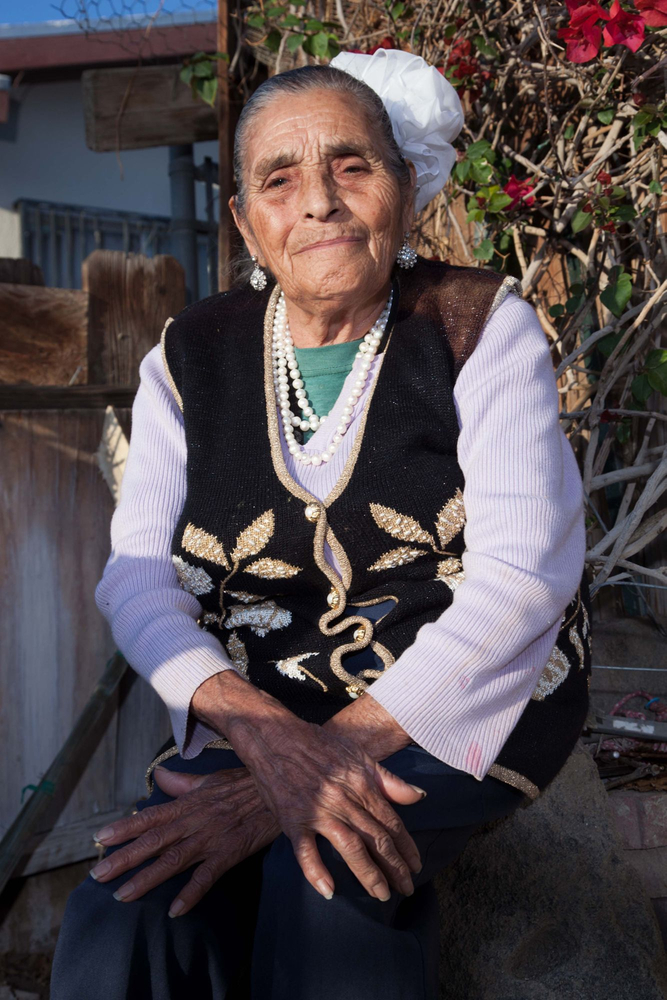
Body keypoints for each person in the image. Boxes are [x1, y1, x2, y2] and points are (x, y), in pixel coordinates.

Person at [50, 49, 591, 1000]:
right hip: (256, 699)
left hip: (450, 698)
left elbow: (520, 579)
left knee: (334, 884)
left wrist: (301, 771)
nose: (319, 202)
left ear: (406, 189)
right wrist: (266, 738)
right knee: (123, 904)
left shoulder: (477, 326)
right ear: (245, 220)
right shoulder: (190, 353)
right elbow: (134, 579)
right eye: (279, 177)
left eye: (352, 165)